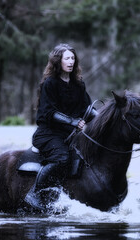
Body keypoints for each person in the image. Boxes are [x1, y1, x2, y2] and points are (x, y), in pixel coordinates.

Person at [25, 43, 93, 210]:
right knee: (62, 158)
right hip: (48, 134)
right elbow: (49, 113)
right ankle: (34, 193)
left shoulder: (79, 84)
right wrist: (73, 122)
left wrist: (107, 117)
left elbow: (88, 109)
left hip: (70, 135)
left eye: (72, 58)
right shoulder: (50, 83)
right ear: (58, 61)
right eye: (67, 58)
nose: (70, 61)